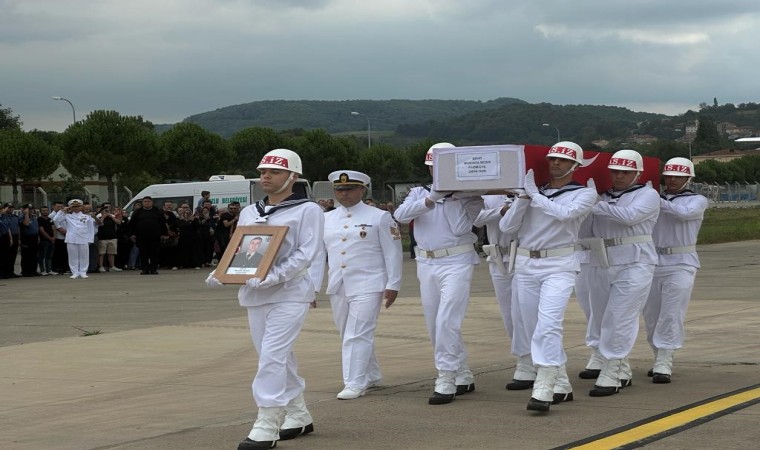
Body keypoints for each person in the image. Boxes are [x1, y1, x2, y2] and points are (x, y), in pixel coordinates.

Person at [206, 148, 324, 449]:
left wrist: (277, 275)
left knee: (272, 355)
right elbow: (240, 249)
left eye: (274, 172)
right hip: (255, 293)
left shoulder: (307, 210)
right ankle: (298, 414)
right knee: (274, 356)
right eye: (262, 172)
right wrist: (224, 272)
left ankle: (267, 423)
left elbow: (306, 253)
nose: (266, 177)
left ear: (292, 177)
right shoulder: (250, 211)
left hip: (290, 292)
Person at [499, 142, 597, 412]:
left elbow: (564, 215)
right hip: (526, 264)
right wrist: (522, 199)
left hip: (560, 264)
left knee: (549, 324)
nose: (556, 164)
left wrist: (535, 196)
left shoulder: (585, 194)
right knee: (531, 327)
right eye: (553, 159)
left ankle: (543, 385)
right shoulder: (533, 194)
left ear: (576, 166)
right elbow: (507, 228)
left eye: (563, 161)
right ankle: (562, 384)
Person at [393, 142, 484, 405]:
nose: (437, 171)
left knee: (447, 320)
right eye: (434, 166)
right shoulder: (418, 193)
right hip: (426, 263)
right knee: (435, 323)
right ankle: (462, 372)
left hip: (457, 260)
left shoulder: (471, 197)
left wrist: (453, 196)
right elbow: (400, 216)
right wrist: (431, 198)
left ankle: (445, 375)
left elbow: (460, 228)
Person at [320, 170, 402, 400]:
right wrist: (312, 286)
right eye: (339, 189)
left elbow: (393, 252)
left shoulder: (379, 217)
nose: (343, 193)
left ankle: (354, 382)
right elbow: (319, 255)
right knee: (347, 331)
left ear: (361, 190)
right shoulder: (326, 218)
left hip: (369, 282)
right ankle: (372, 374)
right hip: (338, 283)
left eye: (349, 189)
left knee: (357, 333)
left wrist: (393, 284)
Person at [586, 149, 660, 397]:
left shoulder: (648, 194)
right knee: (600, 317)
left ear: (637, 173)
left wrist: (595, 204)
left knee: (620, 317)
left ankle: (611, 368)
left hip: (635, 262)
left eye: (625, 172)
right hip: (601, 259)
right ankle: (622, 368)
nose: (618, 176)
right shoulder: (602, 196)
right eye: (615, 171)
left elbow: (630, 217)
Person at [643, 157, 708, 384]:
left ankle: (665, 359)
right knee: (651, 315)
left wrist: (652, 198)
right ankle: (657, 354)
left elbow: (683, 214)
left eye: (678, 176)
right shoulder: (653, 199)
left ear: (688, 178)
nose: (671, 180)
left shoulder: (697, 200)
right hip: (652, 260)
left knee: (671, 313)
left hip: (681, 262)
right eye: (669, 176)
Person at [474, 194, 526, 388]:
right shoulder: (489, 196)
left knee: (522, 311)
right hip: (497, 257)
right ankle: (523, 358)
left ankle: (528, 362)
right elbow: (476, 218)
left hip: (522, 255)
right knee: (508, 315)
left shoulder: (526, 192)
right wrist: (500, 210)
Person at [53, 199, 96, 279]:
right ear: (71, 207)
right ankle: (75, 272)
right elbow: (56, 220)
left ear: (81, 207)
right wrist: (62, 211)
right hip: (71, 238)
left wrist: (90, 239)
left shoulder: (87, 216)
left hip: (83, 238)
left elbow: (91, 229)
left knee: (84, 256)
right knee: (73, 256)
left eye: (78, 206)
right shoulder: (67, 216)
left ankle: (83, 272)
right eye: (74, 207)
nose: (76, 208)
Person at [129, 196, 167, 275]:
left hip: (155, 236)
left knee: (154, 254)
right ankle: (144, 269)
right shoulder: (137, 212)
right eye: (145, 201)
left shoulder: (158, 211)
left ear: (152, 202)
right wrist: (131, 234)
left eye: (148, 201)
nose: (147, 203)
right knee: (143, 254)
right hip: (141, 237)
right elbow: (131, 224)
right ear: (142, 203)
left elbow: (163, 224)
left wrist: (164, 234)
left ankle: (153, 269)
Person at [96, 204, 123, 272]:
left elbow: (118, 222)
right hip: (102, 238)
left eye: (108, 211)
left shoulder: (112, 217)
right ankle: (101, 266)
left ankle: (112, 266)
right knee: (101, 253)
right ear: (101, 211)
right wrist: (103, 217)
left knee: (111, 253)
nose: (107, 212)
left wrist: (111, 216)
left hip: (112, 237)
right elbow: (99, 223)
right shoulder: (99, 217)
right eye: (105, 210)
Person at [19, 204, 41, 277]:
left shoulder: (34, 217)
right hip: (26, 238)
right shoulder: (22, 217)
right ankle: (25, 271)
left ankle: (33, 270)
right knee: (26, 256)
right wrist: (26, 214)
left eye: (32, 209)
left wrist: (38, 237)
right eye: (29, 209)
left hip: (34, 238)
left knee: (34, 256)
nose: (31, 210)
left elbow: (36, 228)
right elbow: (27, 223)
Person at [37, 205, 57, 276]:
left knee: (49, 256)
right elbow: (42, 230)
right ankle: (42, 270)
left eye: (46, 210)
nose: (45, 212)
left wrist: (54, 237)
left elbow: (53, 228)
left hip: (51, 240)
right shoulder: (39, 219)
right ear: (41, 212)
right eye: (44, 211)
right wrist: (50, 238)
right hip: (43, 240)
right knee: (42, 256)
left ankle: (49, 270)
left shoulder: (50, 219)